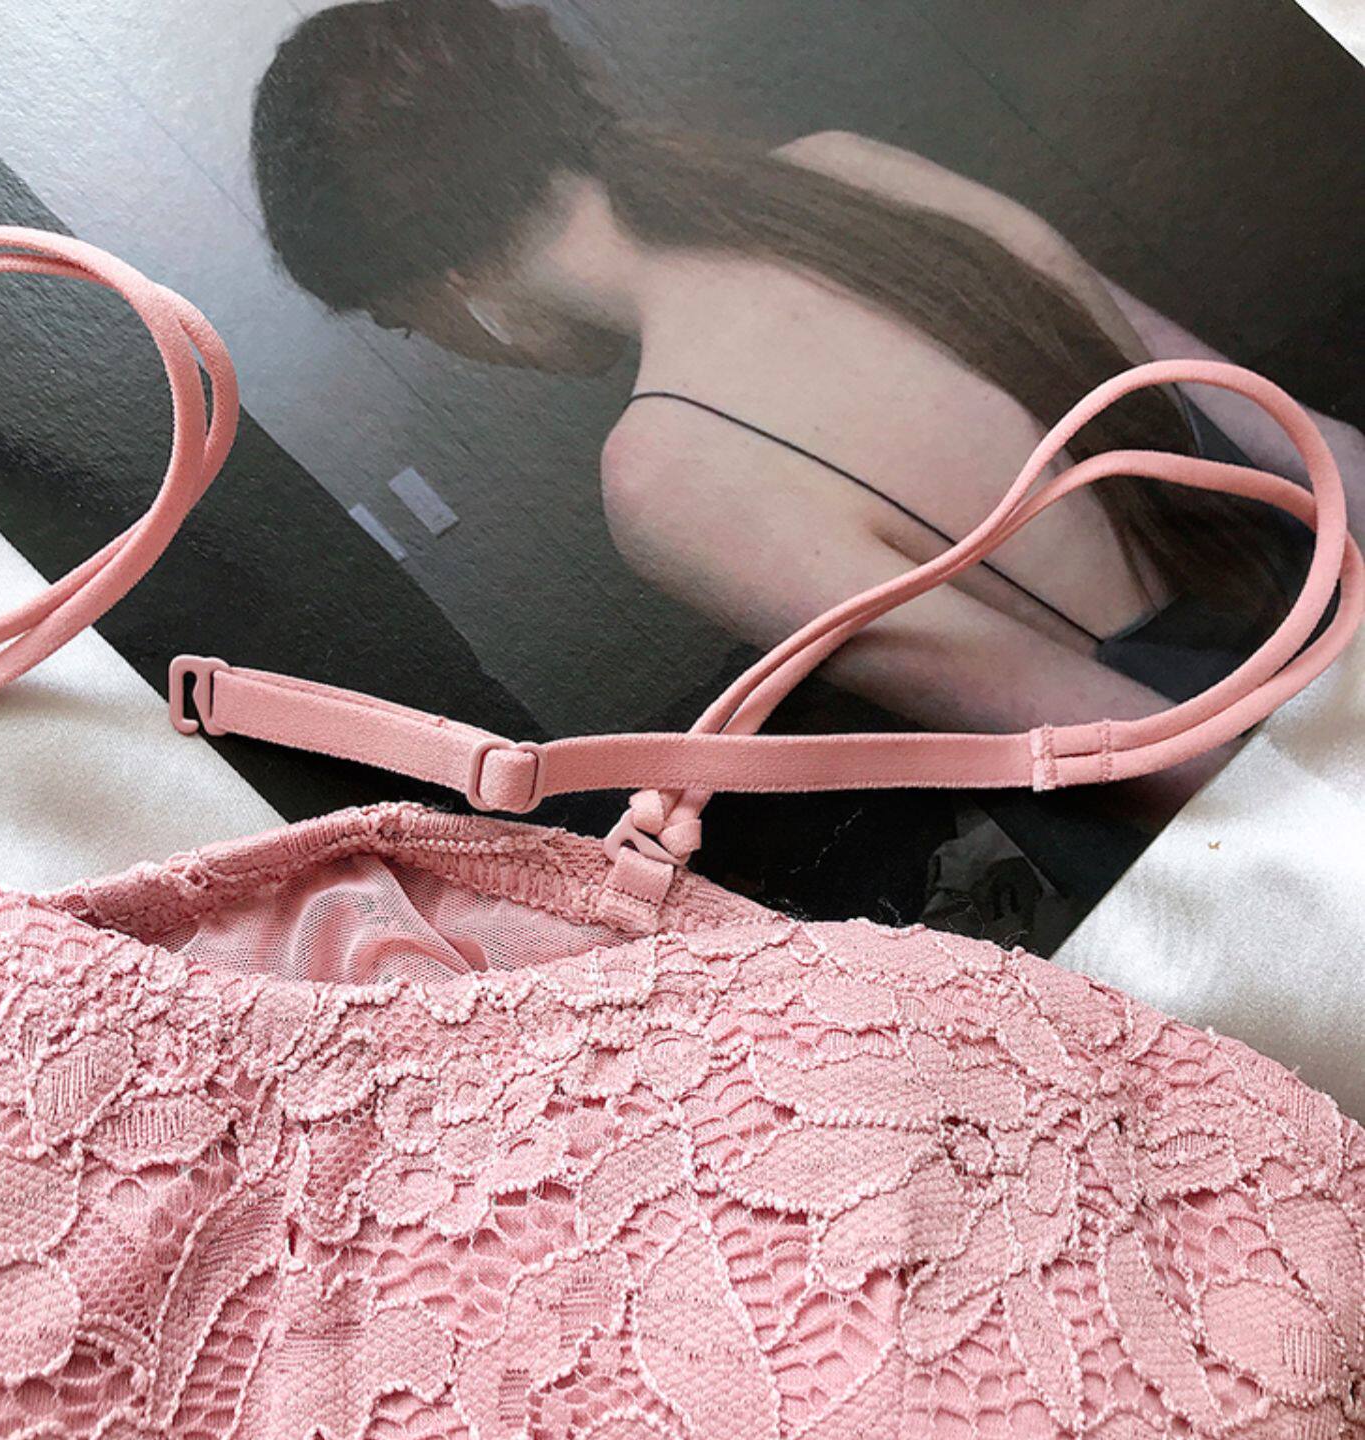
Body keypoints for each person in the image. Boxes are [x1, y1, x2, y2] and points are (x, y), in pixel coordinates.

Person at [251, 0, 1359, 823]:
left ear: (449, 288)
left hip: (1274, 760)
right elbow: (1295, 437)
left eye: (406, 324)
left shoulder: (662, 475)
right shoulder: (841, 171)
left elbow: (1138, 756)